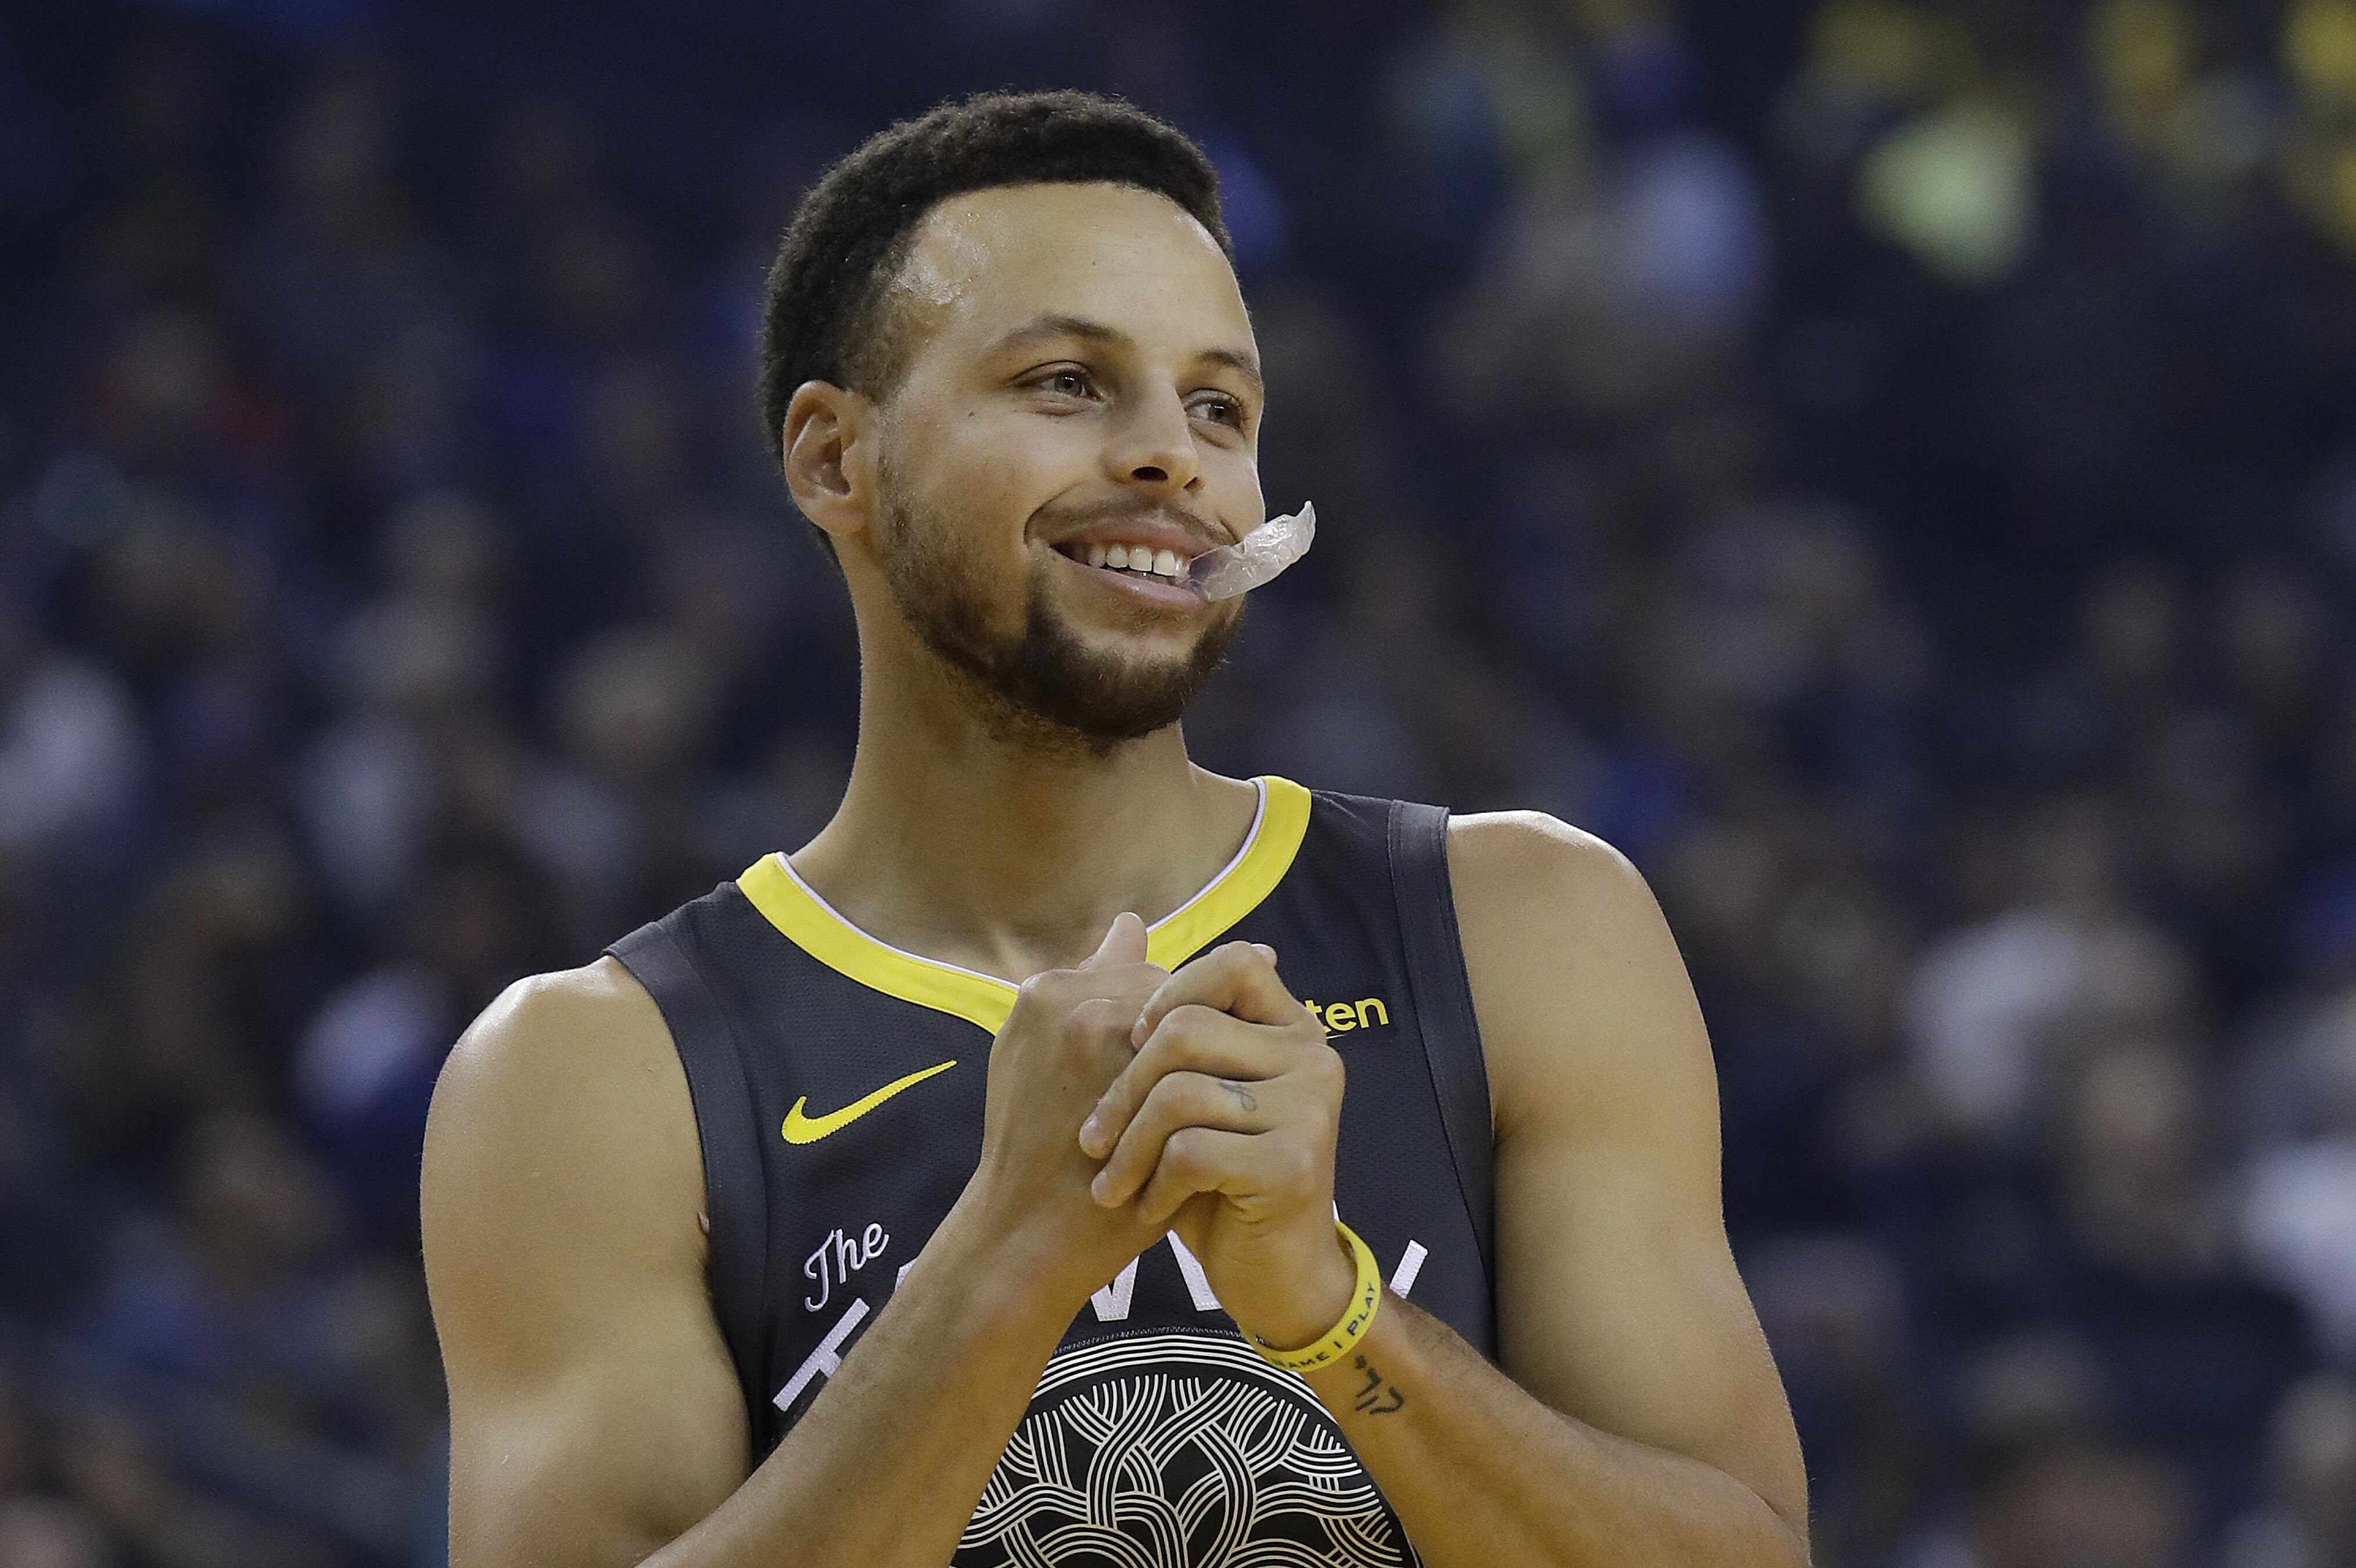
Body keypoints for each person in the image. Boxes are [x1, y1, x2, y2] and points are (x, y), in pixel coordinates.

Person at [420, 90, 1808, 1568]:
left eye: (1220, 409)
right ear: (834, 460)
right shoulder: (595, 1076)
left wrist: (1335, 1315)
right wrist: (1006, 1260)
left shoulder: (1523, 928)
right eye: (1069, 382)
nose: (1172, 458)